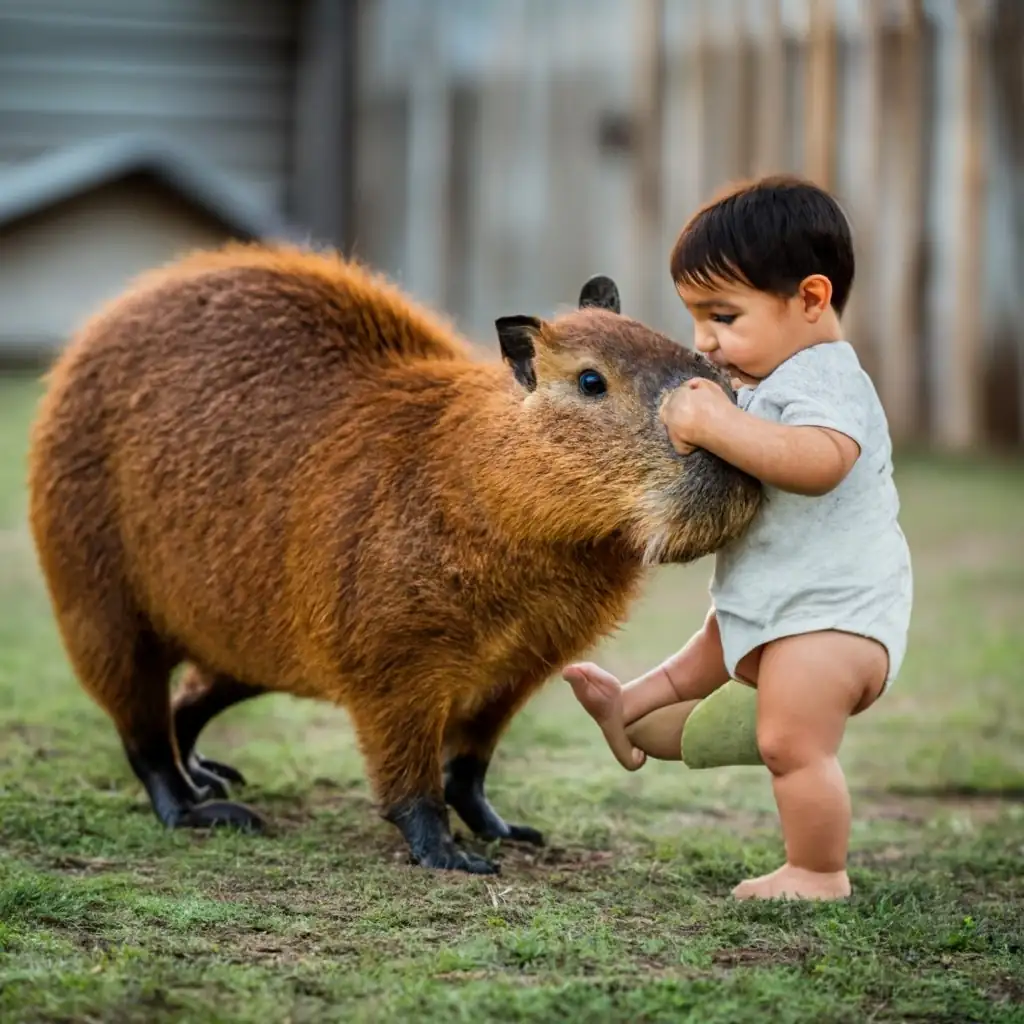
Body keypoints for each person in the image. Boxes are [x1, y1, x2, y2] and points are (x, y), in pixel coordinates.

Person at [564, 174, 913, 901]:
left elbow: (820, 462)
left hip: (835, 615)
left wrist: (719, 424)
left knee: (791, 743)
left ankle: (819, 871)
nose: (705, 341)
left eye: (723, 316)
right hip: (772, 602)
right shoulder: (764, 382)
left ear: (811, 300)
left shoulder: (826, 378)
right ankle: (625, 713)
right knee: (694, 676)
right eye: (696, 318)